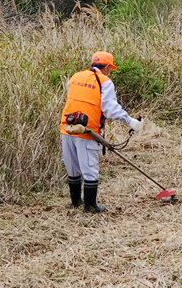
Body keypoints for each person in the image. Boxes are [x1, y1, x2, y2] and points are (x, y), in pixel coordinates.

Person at [59, 51, 142, 213]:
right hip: (87, 130)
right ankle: (90, 206)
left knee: (72, 167)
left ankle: (75, 202)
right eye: (109, 68)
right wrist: (130, 121)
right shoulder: (104, 82)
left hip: (67, 127)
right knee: (89, 168)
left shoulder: (75, 76)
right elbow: (110, 110)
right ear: (107, 67)